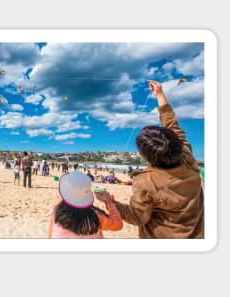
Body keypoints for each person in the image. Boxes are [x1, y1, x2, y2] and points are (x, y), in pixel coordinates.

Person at [109, 80, 204, 239]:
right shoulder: (187, 157)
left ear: (146, 157)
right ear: (176, 145)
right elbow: (173, 126)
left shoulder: (146, 182)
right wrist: (160, 94)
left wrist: (110, 203)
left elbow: (137, 217)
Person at [48, 170, 123, 238]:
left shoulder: (57, 211)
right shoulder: (95, 216)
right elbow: (118, 224)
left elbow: (50, 235)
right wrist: (109, 202)